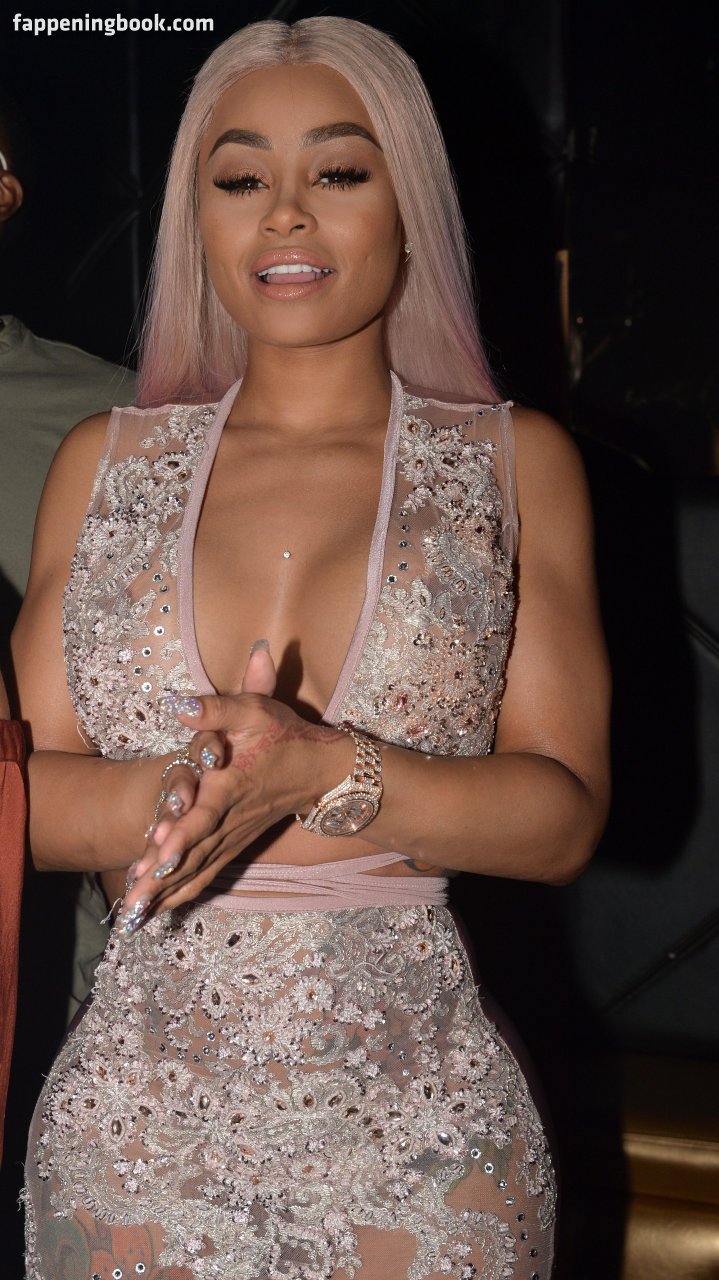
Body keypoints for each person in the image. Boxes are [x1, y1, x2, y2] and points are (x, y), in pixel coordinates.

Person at [15, 17, 610, 1279]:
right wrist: (190, 792)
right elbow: (21, 790)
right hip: (137, 1137)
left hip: (423, 1139)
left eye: (337, 171)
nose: (285, 213)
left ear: (409, 205)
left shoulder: (512, 467)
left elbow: (561, 815)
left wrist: (326, 770)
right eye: (240, 179)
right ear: (198, 220)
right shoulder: (101, 466)